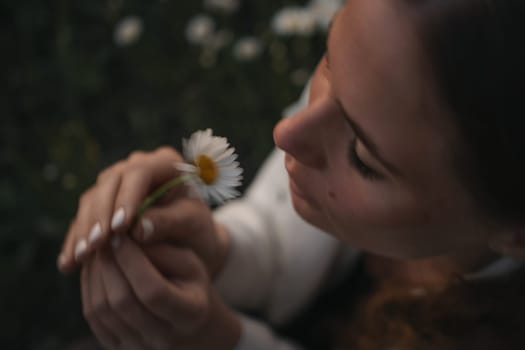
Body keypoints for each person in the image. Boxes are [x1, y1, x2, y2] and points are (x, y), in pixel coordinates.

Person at [57, 0, 525, 349]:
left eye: (362, 156)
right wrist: (219, 250)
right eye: (326, 60)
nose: (287, 132)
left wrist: (217, 340)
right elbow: (279, 233)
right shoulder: (384, 88)